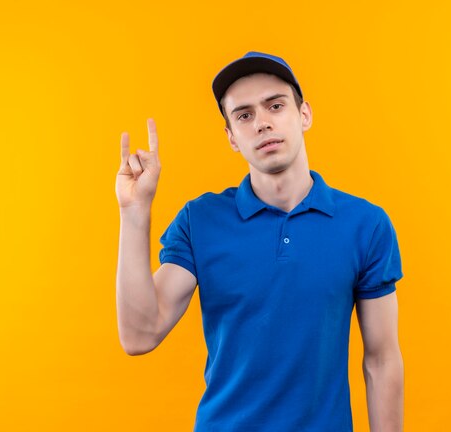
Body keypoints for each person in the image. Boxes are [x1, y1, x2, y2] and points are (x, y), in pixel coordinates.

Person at [115, 51, 404, 432]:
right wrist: (134, 214)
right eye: (245, 115)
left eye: (275, 105)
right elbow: (139, 334)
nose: (262, 123)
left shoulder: (365, 225)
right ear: (232, 137)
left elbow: (381, 360)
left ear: (304, 115)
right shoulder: (200, 221)